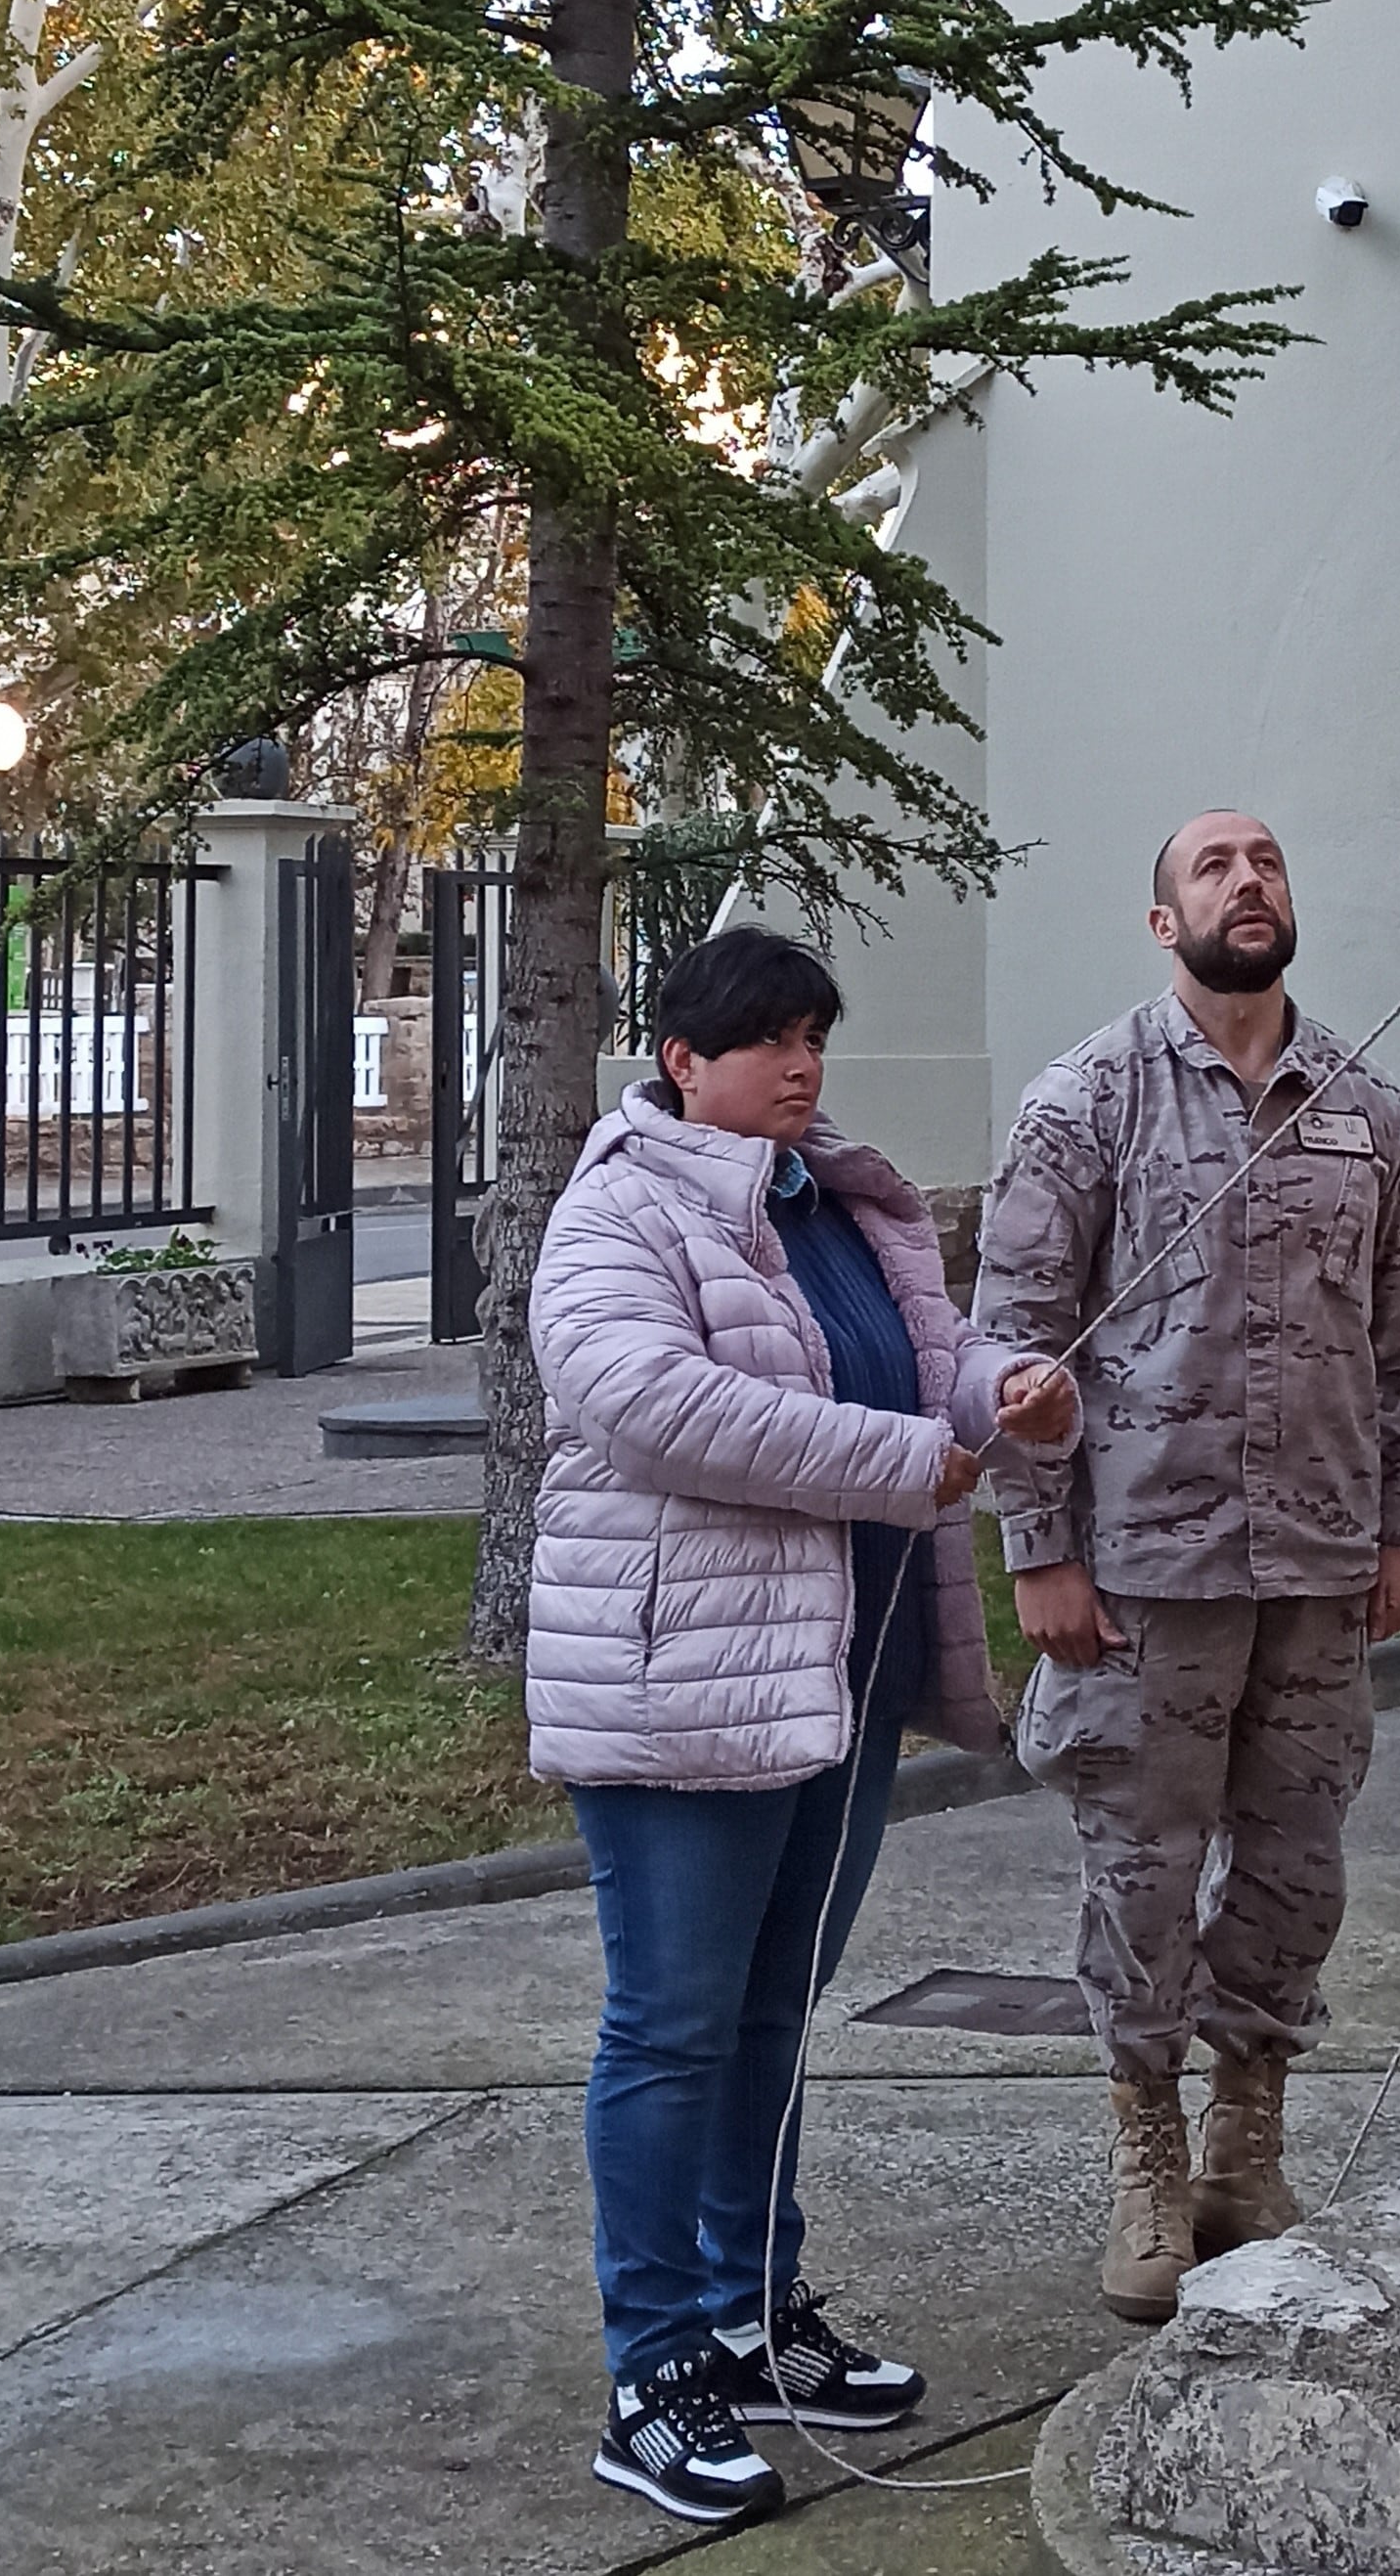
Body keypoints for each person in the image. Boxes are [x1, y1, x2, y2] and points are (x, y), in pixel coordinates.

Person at [527, 927, 1075, 2529]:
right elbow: (652, 1400)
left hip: (838, 1673)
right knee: (672, 2026)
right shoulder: (620, 1206)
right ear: (683, 1061)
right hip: (678, 1685)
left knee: (775, 2012)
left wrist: (1006, 1388)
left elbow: (924, 1362)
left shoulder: (835, 1198)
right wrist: (907, 1455)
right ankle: (655, 2375)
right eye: (767, 1038)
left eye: (814, 1035)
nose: (802, 1063)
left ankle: (756, 2314)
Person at [974, 809, 1400, 2324]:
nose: (1249, 882)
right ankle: (1146, 2145)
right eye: (1212, 866)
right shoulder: (1086, 1103)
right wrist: (1039, 1545)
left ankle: (1249, 2140)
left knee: (1297, 1867)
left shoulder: (1368, 1111)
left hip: (1317, 1565)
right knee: (1143, 1867)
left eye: (1269, 862)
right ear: (1161, 917)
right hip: (1143, 1566)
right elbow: (1011, 1338)